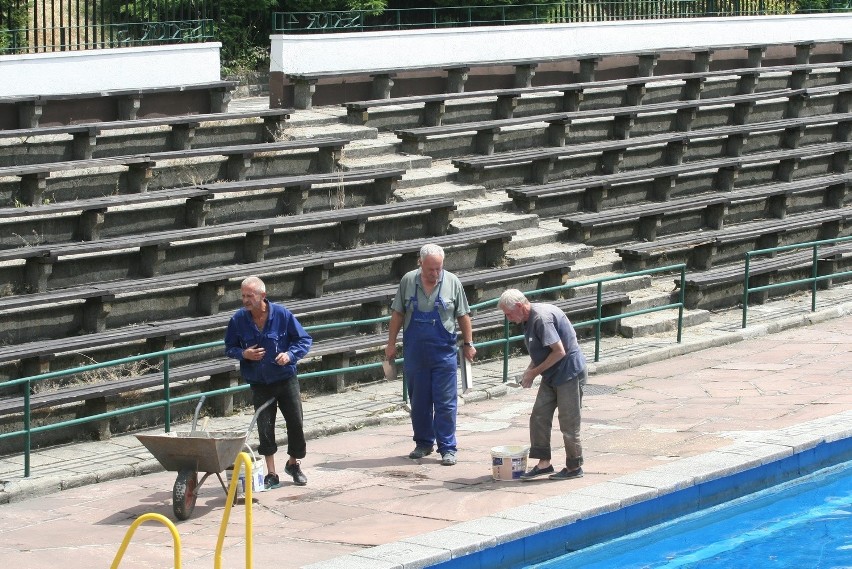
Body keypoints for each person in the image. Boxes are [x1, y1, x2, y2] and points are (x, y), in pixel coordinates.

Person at [386, 244, 476, 466]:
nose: (435, 274)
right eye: (430, 270)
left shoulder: (452, 282)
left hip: (443, 353)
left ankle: (447, 448)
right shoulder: (408, 281)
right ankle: (424, 443)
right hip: (415, 353)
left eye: (439, 269)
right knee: (419, 402)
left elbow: (463, 315)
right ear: (420, 264)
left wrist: (468, 343)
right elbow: (397, 314)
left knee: (445, 403)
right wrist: (390, 344)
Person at [225, 276, 313, 488]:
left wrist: (290, 355)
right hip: (259, 383)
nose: (245, 300)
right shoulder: (238, 320)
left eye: (250, 296)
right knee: (265, 427)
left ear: (262, 296)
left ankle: (293, 463)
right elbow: (229, 348)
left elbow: (304, 339)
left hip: (285, 379)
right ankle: (271, 473)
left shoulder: (282, 314)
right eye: (243, 295)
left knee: (296, 423)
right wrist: (244, 353)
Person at [498, 288, 586, 481]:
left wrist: (533, 373)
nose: (508, 318)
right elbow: (540, 352)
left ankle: (574, 466)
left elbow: (559, 351)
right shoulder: (527, 319)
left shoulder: (541, 319)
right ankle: (544, 463)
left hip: (569, 372)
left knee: (568, 422)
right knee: (539, 416)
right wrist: (529, 372)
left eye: (508, 313)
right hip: (551, 373)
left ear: (520, 306)